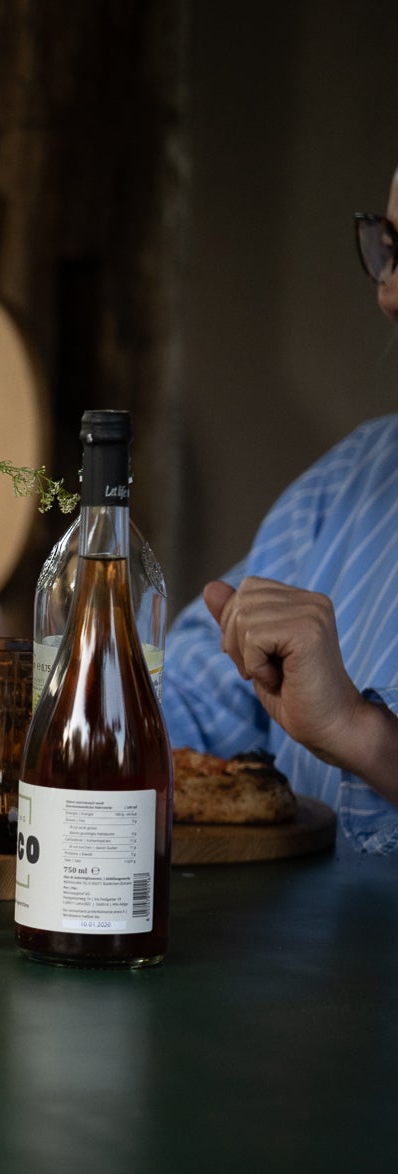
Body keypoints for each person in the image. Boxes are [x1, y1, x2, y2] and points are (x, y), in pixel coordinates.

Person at [160, 173, 398, 855]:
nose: (388, 294)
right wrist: (35, 689)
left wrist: (361, 730)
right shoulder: (353, 478)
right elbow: (193, 702)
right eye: (391, 246)